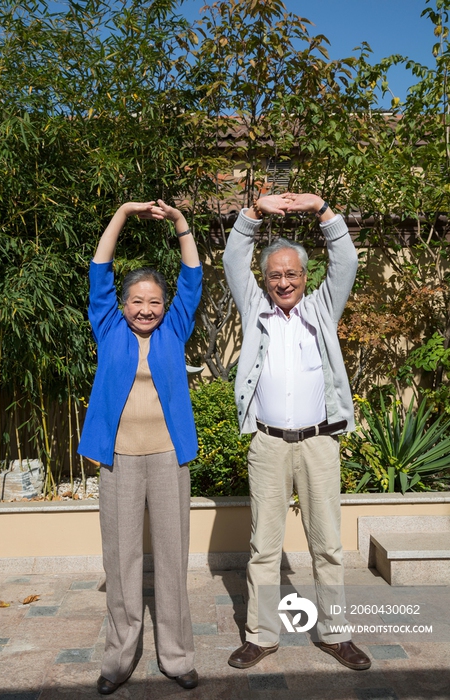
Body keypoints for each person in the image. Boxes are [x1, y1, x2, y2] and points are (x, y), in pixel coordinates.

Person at [222, 192, 371, 671]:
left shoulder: (323, 308)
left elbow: (345, 257)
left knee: (327, 544)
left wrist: (320, 208)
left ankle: (335, 633)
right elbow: (232, 257)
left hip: (319, 442)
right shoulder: (255, 308)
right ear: (264, 281)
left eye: (292, 273)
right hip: (267, 443)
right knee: (263, 547)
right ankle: (262, 636)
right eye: (275, 275)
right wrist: (255, 212)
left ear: (306, 277)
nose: (283, 281)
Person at [77, 200, 202, 695]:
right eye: (137, 301)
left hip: (169, 457)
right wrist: (123, 215)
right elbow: (99, 269)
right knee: (121, 560)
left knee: (171, 559)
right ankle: (118, 659)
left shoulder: (175, 328)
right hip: (119, 459)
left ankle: (176, 656)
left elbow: (192, 275)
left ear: (164, 306)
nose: (146, 309)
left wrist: (179, 222)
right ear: (122, 305)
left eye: (154, 301)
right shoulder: (107, 327)